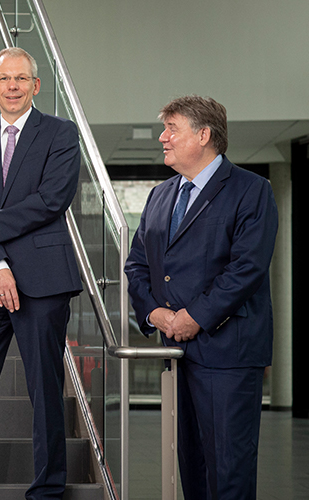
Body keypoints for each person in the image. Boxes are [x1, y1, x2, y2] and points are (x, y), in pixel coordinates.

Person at [125, 95, 277, 499]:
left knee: (228, 469)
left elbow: (247, 268)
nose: (162, 137)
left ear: (204, 135)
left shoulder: (251, 190)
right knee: (191, 468)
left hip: (228, 353)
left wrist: (194, 316)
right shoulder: (160, 195)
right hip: (175, 354)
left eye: (172, 128)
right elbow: (137, 265)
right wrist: (156, 313)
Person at [0, 47, 82, 500]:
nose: (12, 86)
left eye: (21, 79)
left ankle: (47, 490)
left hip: (44, 279)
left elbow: (50, 201)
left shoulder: (60, 135)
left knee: (44, 389)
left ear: (35, 86)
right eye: (4, 78)